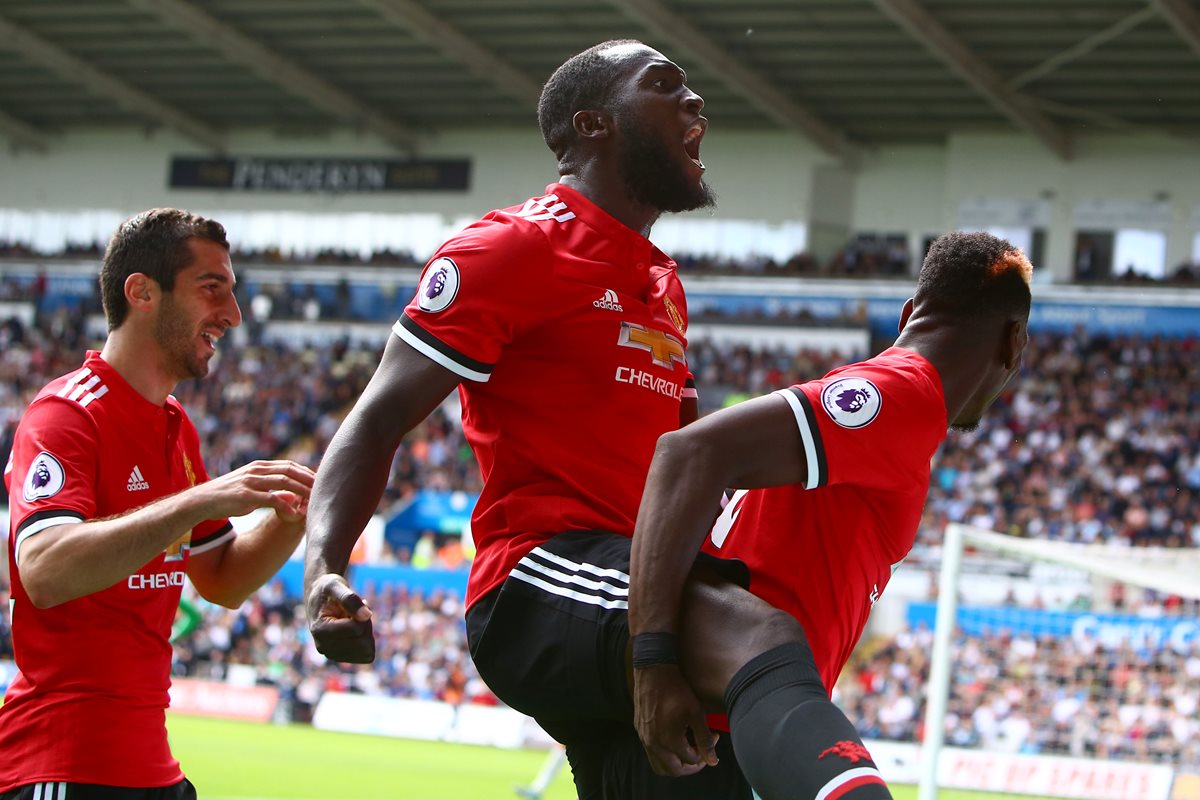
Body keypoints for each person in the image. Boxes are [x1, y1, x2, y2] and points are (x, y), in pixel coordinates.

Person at [305, 39, 752, 798]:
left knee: (711, 776)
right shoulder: (512, 248)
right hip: (538, 581)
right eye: (664, 84)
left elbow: (682, 455)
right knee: (746, 630)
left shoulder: (663, 283)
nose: (695, 100)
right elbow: (378, 418)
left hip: (635, 585)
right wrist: (323, 570)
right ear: (593, 124)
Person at [626, 231, 1032, 799]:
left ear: (907, 314)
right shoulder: (903, 394)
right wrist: (652, 660)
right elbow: (687, 452)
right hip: (716, 729)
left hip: (718, 728)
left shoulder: (888, 407)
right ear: (1014, 342)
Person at [0, 209, 316, 800]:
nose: (233, 314)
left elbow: (222, 579)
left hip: (154, 770)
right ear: (142, 292)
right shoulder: (66, 414)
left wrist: (296, 513)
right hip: (62, 765)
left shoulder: (176, 428)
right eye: (211, 288)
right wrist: (198, 500)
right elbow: (43, 569)